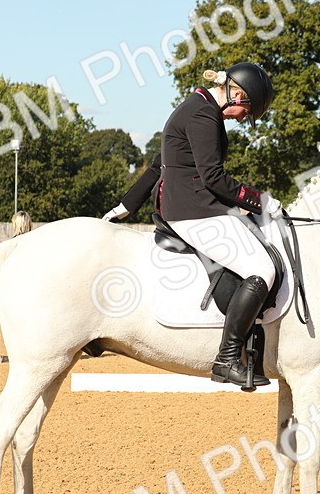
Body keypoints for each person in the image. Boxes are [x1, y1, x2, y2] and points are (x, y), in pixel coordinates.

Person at [102, 62, 278, 388]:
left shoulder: (196, 106)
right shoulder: (203, 115)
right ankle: (227, 358)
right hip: (195, 212)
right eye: (247, 111)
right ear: (237, 94)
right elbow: (214, 178)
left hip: (192, 207)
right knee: (262, 269)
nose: (243, 119)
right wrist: (261, 202)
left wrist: (127, 205)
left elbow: (158, 165)